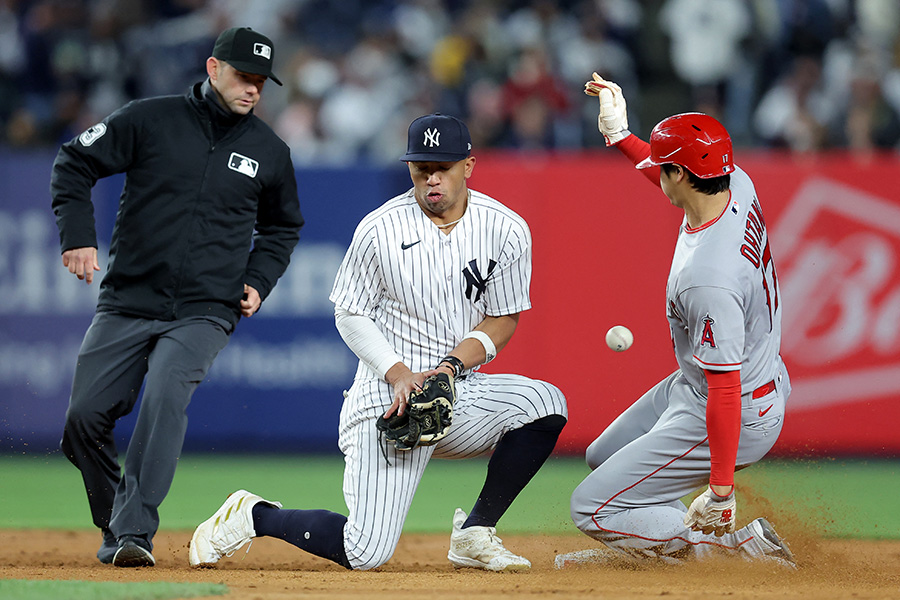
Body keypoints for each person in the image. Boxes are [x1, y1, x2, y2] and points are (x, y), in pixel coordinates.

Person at [189, 113, 568, 572]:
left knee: (544, 403)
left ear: (468, 165)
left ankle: (474, 531)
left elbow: (503, 317)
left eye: (443, 166)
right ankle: (254, 515)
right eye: (420, 166)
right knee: (366, 552)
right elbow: (349, 313)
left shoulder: (506, 228)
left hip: (456, 390)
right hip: (386, 397)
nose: (431, 177)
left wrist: (449, 368)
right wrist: (399, 373)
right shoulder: (379, 229)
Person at [50, 27, 303, 568]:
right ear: (214, 69)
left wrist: (258, 278)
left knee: (166, 398)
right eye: (243, 76)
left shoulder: (269, 151)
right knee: (83, 420)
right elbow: (74, 162)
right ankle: (117, 521)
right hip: (127, 301)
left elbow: (283, 228)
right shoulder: (149, 119)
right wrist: (77, 236)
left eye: (261, 80)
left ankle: (135, 531)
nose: (253, 89)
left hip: (205, 311)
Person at [557, 75, 794, 568]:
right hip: (717, 383)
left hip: (733, 405)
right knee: (604, 455)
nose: (658, 170)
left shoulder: (709, 276)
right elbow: (673, 169)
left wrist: (722, 490)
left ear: (682, 177)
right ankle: (660, 547)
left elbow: (725, 387)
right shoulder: (737, 183)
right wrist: (621, 136)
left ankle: (730, 548)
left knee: (590, 507)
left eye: (665, 167)